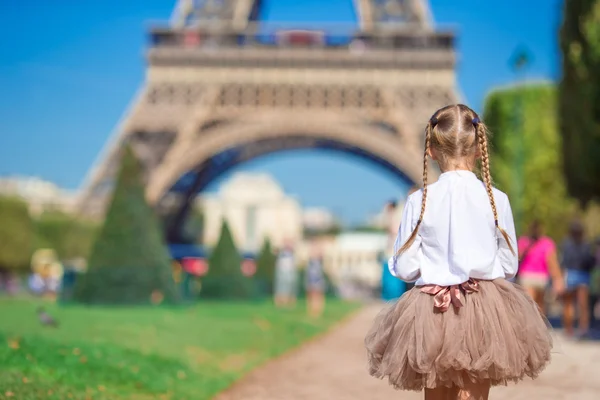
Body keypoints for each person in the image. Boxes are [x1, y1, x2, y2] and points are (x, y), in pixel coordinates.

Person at [365, 105, 552, 400]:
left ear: (431, 151)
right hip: (484, 306)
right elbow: (508, 264)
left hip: (432, 310)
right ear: (479, 148)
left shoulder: (419, 201)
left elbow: (405, 267)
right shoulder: (497, 199)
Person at [517, 220, 564, 314]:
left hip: (526, 276)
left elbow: (518, 258)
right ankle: (540, 326)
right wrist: (558, 279)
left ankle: (530, 325)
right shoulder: (547, 243)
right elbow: (552, 263)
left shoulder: (523, 241)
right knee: (540, 304)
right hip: (542, 277)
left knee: (529, 304)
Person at [561, 220, 595, 338]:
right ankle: (583, 329)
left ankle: (568, 329)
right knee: (583, 305)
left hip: (570, 273)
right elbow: (590, 261)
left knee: (568, 304)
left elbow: (564, 261)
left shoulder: (566, 244)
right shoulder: (586, 244)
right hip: (583, 275)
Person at [381, 200, 406, 300]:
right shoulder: (393, 217)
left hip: (394, 252)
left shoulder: (397, 216)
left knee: (393, 278)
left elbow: (393, 230)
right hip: (391, 252)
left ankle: (394, 296)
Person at [274, 242, 298, 308]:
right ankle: (280, 303)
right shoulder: (281, 253)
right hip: (282, 273)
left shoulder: (292, 254)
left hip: (290, 274)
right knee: (281, 288)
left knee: (290, 288)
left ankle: (288, 303)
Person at [305, 245, 326, 317]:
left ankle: (318, 310)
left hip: (318, 280)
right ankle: (311, 310)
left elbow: (321, 253)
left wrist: (319, 249)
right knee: (311, 295)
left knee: (318, 295)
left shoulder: (320, 260)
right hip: (311, 280)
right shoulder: (310, 261)